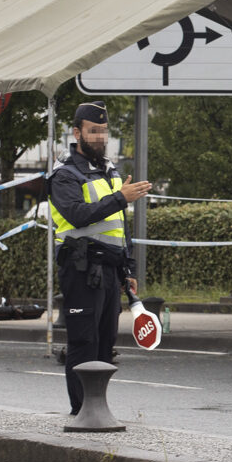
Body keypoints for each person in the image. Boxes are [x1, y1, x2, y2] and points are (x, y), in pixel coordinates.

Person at [47, 101, 150, 415]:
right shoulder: (63, 176)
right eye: (93, 132)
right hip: (80, 269)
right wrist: (121, 197)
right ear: (77, 133)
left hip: (109, 270)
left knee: (105, 344)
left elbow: (120, 227)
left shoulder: (110, 173)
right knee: (83, 341)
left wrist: (128, 268)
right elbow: (78, 215)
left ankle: (98, 406)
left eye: (103, 132)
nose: (99, 138)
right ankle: (81, 411)